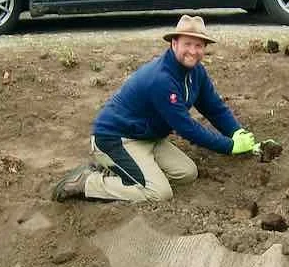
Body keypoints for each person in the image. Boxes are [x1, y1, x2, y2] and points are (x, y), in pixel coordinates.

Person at [53, 15, 258, 202]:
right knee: (159, 193)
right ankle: (87, 182)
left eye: (199, 45)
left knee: (187, 173)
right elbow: (186, 127)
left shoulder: (197, 72)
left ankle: (124, 169)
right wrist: (230, 146)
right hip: (115, 139)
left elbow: (214, 108)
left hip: (148, 138)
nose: (193, 51)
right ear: (174, 43)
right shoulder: (161, 79)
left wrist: (237, 133)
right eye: (187, 44)